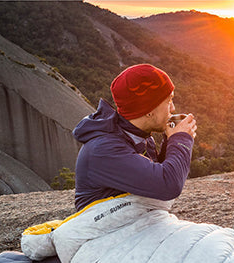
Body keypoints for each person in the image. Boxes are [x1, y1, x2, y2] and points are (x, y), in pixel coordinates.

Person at [72, 64, 197, 211]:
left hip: (126, 222)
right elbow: (168, 185)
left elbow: (152, 178)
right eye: (169, 101)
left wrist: (170, 140)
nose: (173, 108)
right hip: (102, 229)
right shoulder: (104, 149)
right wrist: (180, 140)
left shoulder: (137, 135)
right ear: (149, 110)